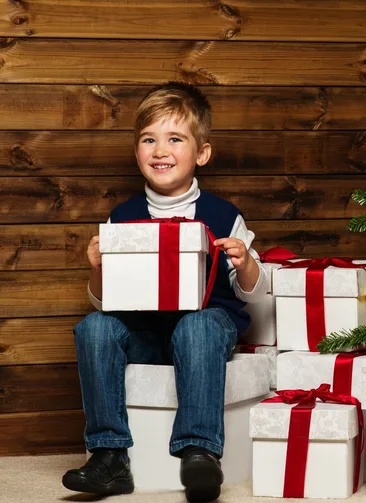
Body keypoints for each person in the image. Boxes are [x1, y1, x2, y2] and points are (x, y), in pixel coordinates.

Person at [61, 82, 268, 502]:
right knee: (93, 328)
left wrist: (245, 263)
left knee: (198, 325)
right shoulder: (122, 217)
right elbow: (104, 303)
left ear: (201, 153)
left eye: (175, 139)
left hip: (205, 330)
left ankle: (199, 451)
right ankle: (108, 456)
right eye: (149, 140)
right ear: (136, 151)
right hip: (147, 333)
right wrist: (99, 268)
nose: (160, 150)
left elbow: (253, 294)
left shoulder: (224, 215)